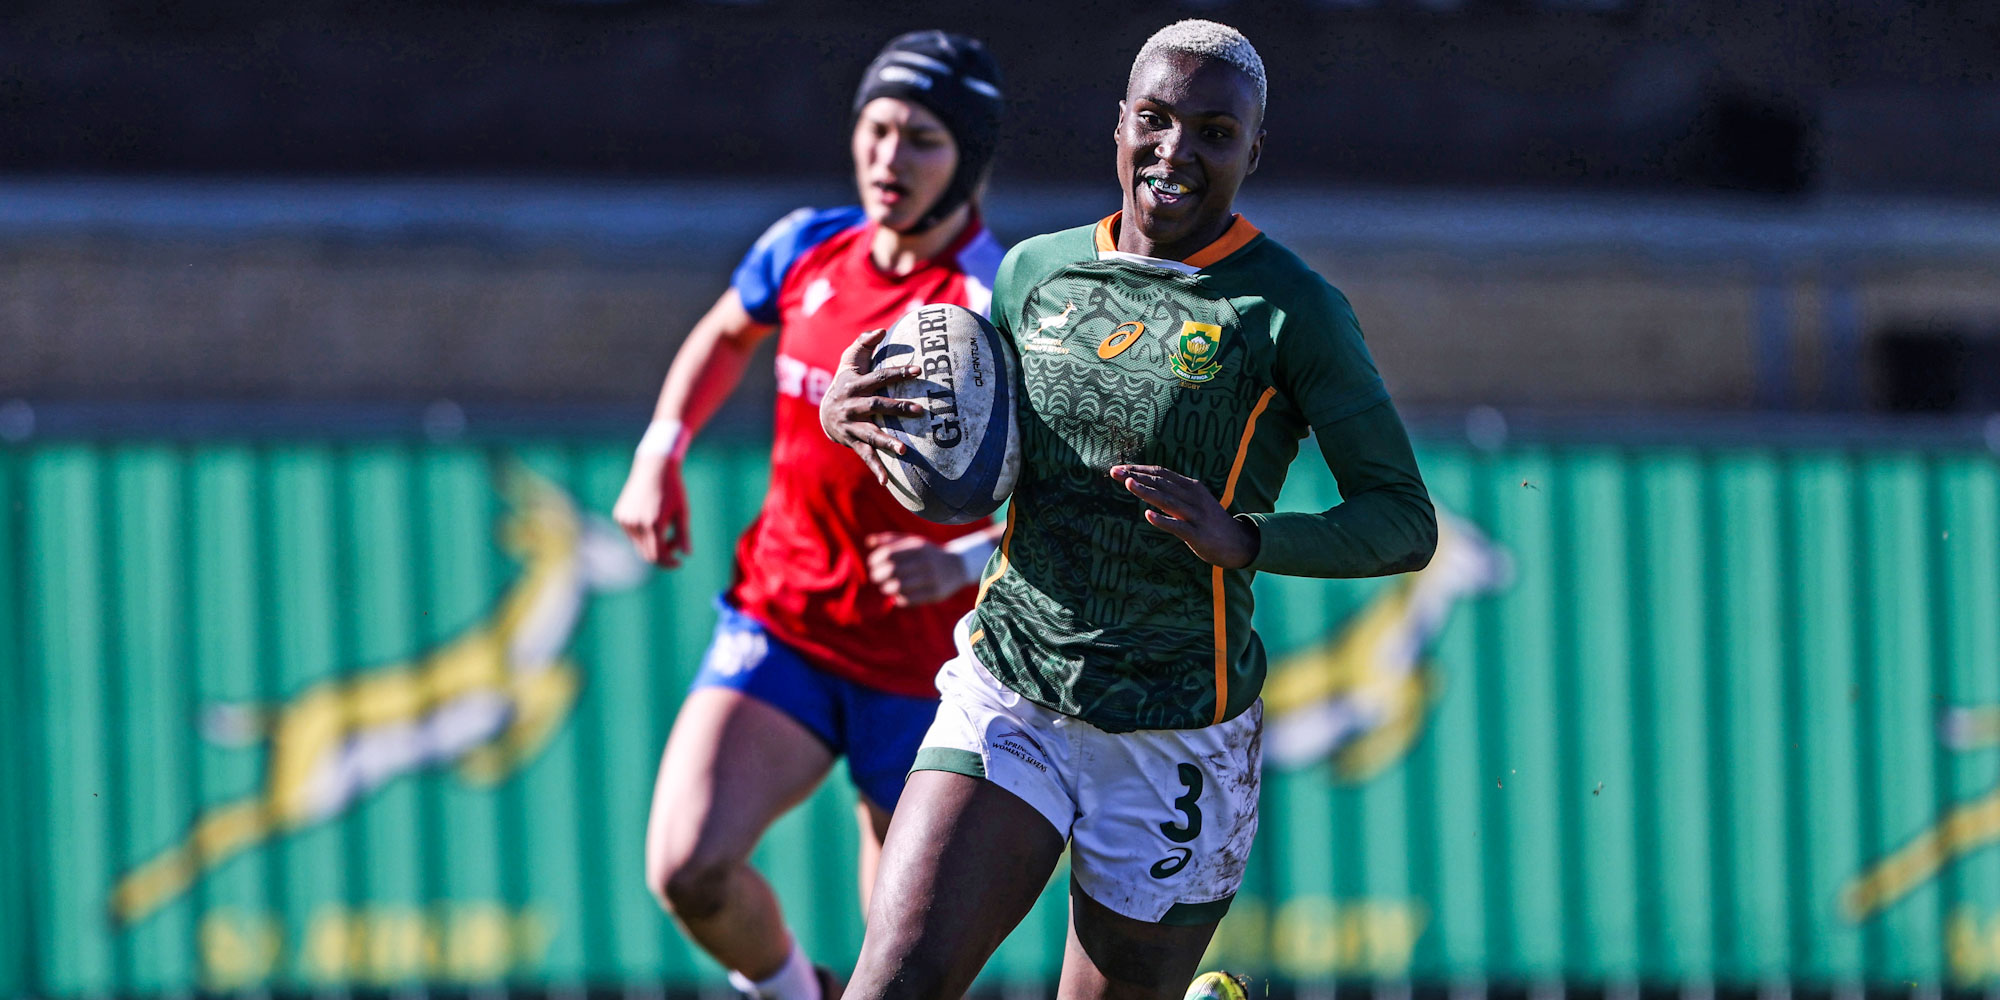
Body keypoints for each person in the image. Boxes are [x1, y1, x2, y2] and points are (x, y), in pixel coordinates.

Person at [820, 19, 1438, 1000]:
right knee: (891, 983)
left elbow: (1403, 520)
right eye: (1151, 120)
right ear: (1117, 126)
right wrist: (846, 408)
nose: (1174, 151)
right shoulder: (1033, 273)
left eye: (1212, 131)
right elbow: (957, 430)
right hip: (1011, 687)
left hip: (1173, 734)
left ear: (1251, 148)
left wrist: (1242, 539)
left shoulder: (1288, 310)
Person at [613, 31, 1007, 1000]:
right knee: (686, 867)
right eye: (875, 129)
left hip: (923, 674)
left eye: (922, 139)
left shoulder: (993, 299)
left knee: (906, 971)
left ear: (970, 162)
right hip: (784, 623)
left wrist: (961, 562)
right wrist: (658, 452)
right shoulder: (804, 246)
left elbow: (1065, 497)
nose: (888, 158)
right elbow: (723, 331)